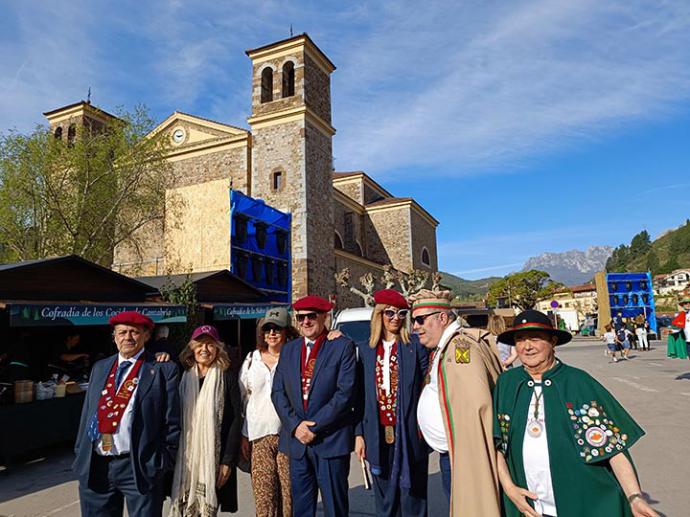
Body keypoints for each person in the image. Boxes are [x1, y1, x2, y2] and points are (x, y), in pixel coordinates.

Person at [493, 310, 659, 517]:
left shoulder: (579, 382)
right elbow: (496, 443)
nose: (527, 347)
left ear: (553, 342)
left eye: (535, 339)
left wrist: (634, 497)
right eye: (520, 339)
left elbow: (613, 446)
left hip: (585, 502)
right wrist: (509, 489)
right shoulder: (507, 383)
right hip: (526, 505)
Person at [73, 311, 180, 516]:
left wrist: (160, 462)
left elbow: (172, 422)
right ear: (114, 337)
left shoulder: (162, 369)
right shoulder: (100, 367)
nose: (127, 338)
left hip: (138, 467)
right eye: (122, 332)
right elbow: (87, 413)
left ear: (147, 336)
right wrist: (80, 452)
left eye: (134, 332)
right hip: (96, 466)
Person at [410, 289, 503, 516]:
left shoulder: (460, 347)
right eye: (413, 320)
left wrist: (468, 455)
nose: (414, 326)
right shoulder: (445, 345)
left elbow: (475, 405)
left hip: (462, 455)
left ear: (442, 318)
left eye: (420, 320)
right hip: (454, 452)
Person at [271, 295, 357, 517]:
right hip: (297, 443)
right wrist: (295, 426)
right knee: (301, 509)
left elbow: (344, 394)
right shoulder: (289, 350)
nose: (306, 322)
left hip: (330, 441)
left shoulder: (342, 346)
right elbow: (278, 392)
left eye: (312, 316)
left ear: (324, 317)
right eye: (301, 317)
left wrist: (314, 426)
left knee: (334, 507)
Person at [354, 289, 429, 517]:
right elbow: (358, 397)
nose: (396, 318)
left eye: (402, 313)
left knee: (414, 497)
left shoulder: (415, 347)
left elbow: (428, 387)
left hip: (409, 433)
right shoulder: (365, 350)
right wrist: (359, 434)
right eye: (390, 313)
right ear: (379, 315)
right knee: (385, 498)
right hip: (376, 434)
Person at [170, 324, 242, 516]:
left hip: (214, 458)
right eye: (200, 344)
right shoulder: (181, 376)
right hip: (184, 458)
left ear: (218, 348)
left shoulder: (226, 376)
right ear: (192, 348)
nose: (205, 349)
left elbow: (236, 420)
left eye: (210, 345)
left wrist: (227, 461)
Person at [239, 308, 297, 517]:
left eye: (277, 329)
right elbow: (244, 398)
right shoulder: (251, 359)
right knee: (264, 497)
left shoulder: (294, 358)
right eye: (267, 329)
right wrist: (244, 434)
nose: (272, 333)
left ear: (286, 331)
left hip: (288, 435)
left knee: (289, 497)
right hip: (259, 435)